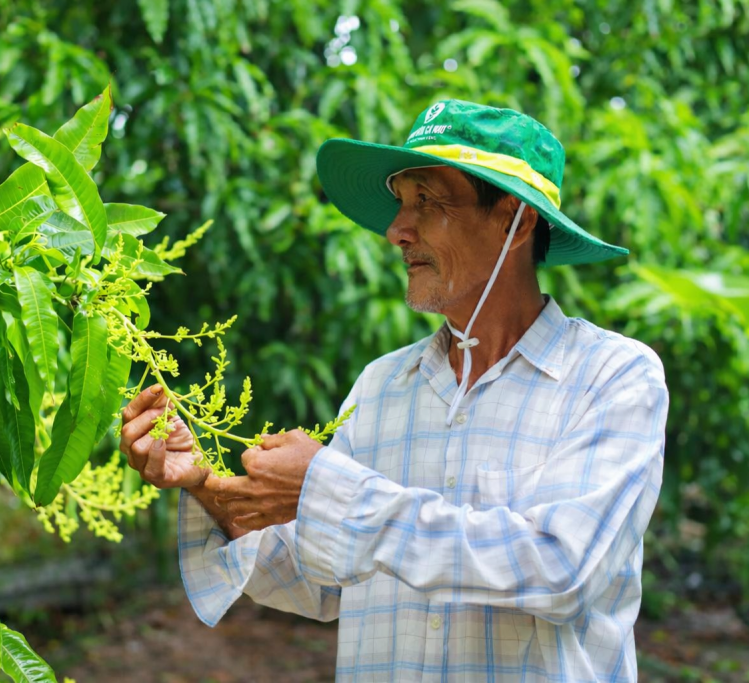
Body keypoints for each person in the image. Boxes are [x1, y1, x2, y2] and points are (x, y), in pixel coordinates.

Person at [120, 100, 669, 682]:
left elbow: (560, 568)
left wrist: (330, 490)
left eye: (427, 202)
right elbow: (317, 577)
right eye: (402, 203)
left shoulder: (612, 377)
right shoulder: (383, 386)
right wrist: (205, 483)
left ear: (514, 221)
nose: (396, 231)